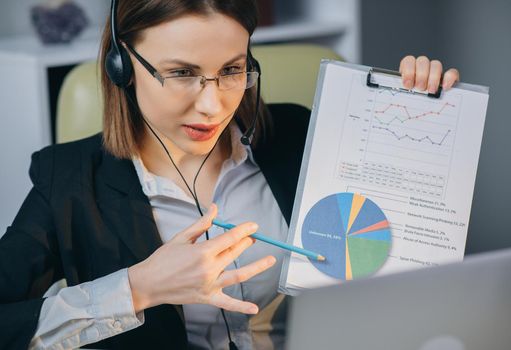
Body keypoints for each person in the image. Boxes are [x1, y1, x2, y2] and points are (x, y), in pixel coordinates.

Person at [0, 0, 460, 349]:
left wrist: (415, 111)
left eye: (232, 70)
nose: (213, 104)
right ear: (121, 66)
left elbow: (390, 250)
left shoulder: (298, 135)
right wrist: (137, 288)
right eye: (181, 72)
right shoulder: (67, 181)